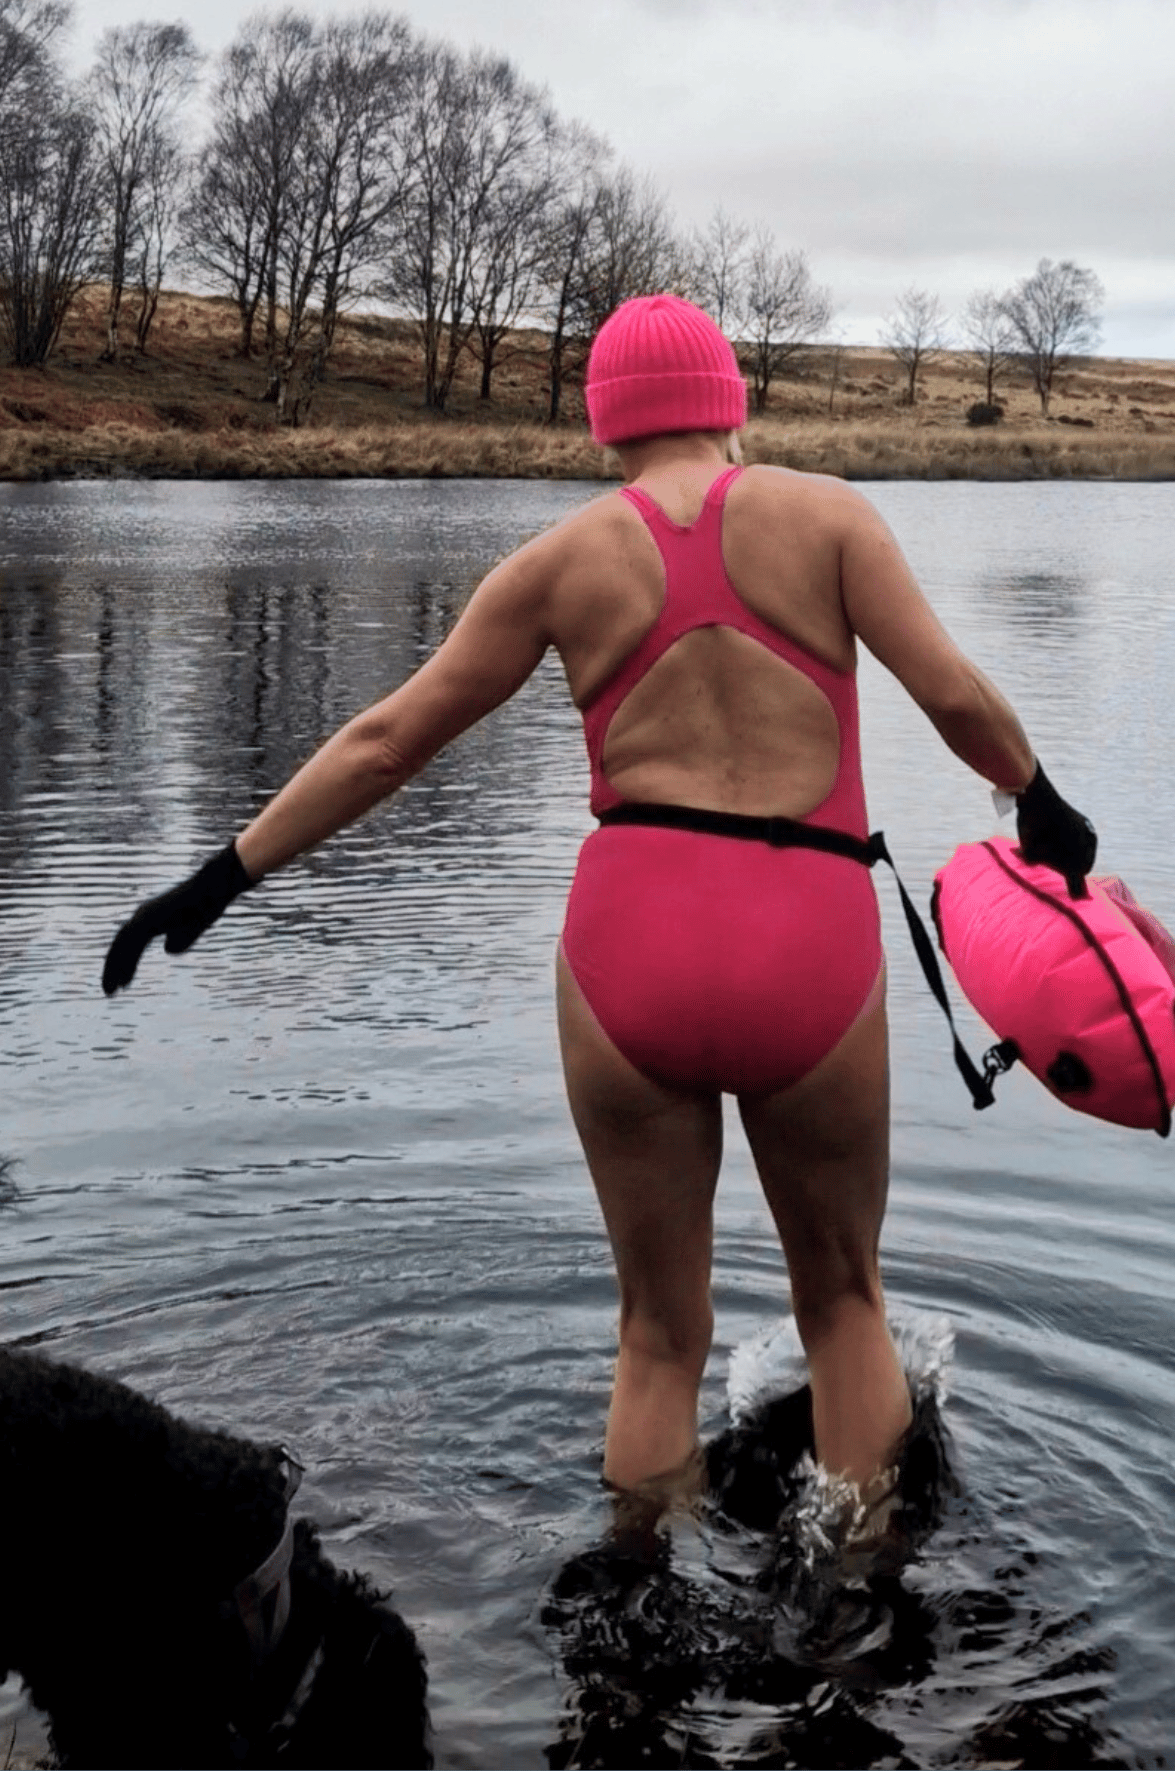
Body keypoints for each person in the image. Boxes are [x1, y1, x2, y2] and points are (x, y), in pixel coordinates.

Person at [103, 294, 1095, 1507]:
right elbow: (952, 694)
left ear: (604, 429)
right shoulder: (829, 518)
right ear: (731, 407)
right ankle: (856, 1613)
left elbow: (384, 741)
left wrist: (222, 875)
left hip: (631, 950)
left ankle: (636, 1611)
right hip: (807, 940)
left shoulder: (556, 565)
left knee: (657, 1335)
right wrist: (1036, 794)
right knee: (843, 1302)